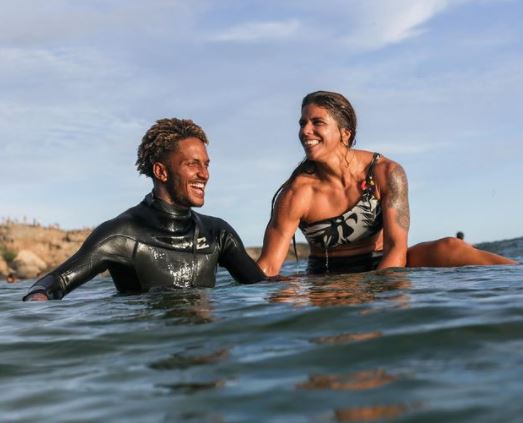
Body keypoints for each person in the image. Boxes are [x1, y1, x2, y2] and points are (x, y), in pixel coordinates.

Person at [257, 91, 516, 276]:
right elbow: (268, 267)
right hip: (329, 278)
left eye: (317, 123)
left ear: (345, 133)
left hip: (386, 264)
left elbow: (395, 250)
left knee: (450, 247)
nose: (305, 131)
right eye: (303, 123)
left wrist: (384, 302)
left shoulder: (385, 172)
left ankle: (516, 276)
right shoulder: (297, 193)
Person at [24, 118, 265, 301]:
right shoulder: (122, 235)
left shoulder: (217, 233)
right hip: (149, 356)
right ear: (161, 172)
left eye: (206, 164)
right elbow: (53, 283)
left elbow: (262, 287)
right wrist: (37, 301)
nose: (204, 174)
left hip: (207, 349)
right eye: (193, 164)